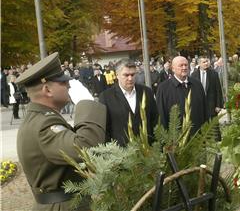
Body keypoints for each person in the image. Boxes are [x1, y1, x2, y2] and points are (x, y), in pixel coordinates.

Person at [15, 52, 106, 211]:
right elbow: (87, 148)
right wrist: (86, 103)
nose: (69, 86)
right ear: (47, 90)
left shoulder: (40, 117)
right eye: (63, 83)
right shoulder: (44, 124)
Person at [99, 58, 158, 146]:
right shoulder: (106, 97)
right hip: (121, 153)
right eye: (126, 75)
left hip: (147, 151)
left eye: (133, 74)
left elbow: (155, 120)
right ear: (117, 75)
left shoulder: (147, 92)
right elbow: (105, 129)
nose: (130, 78)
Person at [156, 56, 207, 137]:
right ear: (173, 69)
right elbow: (161, 116)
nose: (184, 68)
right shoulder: (163, 88)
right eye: (181, 65)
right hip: (175, 140)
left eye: (186, 65)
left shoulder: (197, 84)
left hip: (197, 137)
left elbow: (204, 110)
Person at [191, 56, 224, 140]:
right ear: (199, 64)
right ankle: (203, 139)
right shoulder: (193, 75)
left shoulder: (213, 74)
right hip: (199, 104)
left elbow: (218, 90)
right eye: (204, 62)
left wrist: (219, 105)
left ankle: (216, 140)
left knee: (214, 123)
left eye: (207, 61)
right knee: (201, 122)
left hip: (211, 103)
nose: (206, 63)